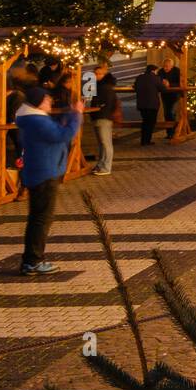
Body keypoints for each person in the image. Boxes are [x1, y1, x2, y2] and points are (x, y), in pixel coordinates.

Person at [14, 86, 82, 276]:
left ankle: (31, 259)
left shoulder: (34, 119)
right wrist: (77, 115)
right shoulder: (36, 120)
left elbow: (56, 130)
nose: (50, 102)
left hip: (40, 171)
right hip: (44, 173)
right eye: (47, 99)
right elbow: (63, 135)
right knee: (41, 218)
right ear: (39, 102)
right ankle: (33, 261)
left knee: (38, 217)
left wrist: (68, 115)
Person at [90, 61, 118, 176]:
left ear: (104, 74)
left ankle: (106, 167)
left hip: (104, 117)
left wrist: (100, 108)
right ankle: (101, 165)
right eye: (95, 73)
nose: (96, 76)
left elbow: (109, 103)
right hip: (99, 116)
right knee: (102, 143)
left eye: (99, 73)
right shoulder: (99, 85)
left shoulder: (106, 87)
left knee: (105, 143)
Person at [133, 65, 162, 146]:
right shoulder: (156, 78)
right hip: (152, 104)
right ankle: (147, 141)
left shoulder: (139, 77)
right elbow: (163, 89)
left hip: (142, 104)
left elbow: (135, 87)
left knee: (145, 122)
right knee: (151, 123)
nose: (156, 72)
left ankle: (143, 140)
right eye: (156, 71)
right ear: (153, 71)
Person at [158, 56, 182, 137]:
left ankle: (174, 132)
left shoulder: (177, 71)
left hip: (175, 94)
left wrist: (170, 84)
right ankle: (169, 133)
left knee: (172, 113)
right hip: (165, 95)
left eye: (167, 66)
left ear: (172, 66)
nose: (165, 68)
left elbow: (181, 83)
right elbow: (158, 81)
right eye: (164, 66)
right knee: (166, 113)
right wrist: (163, 83)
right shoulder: (160, 71)